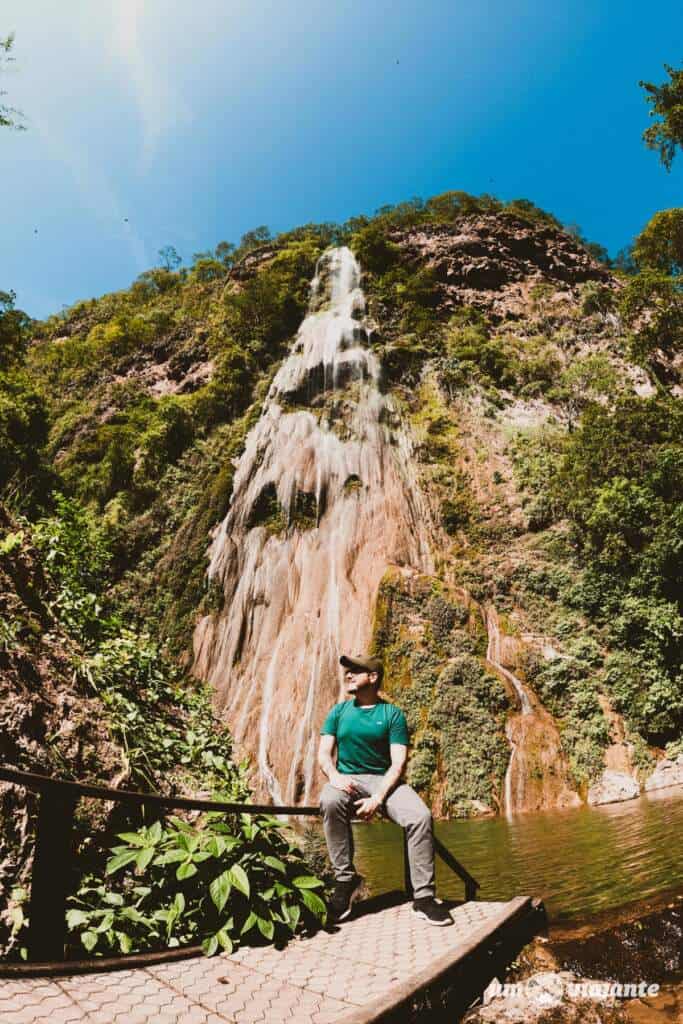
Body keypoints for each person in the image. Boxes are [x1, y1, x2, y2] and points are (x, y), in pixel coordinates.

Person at [318, 653, 452, 926]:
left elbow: (398, 762)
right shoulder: (338, 711)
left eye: (356, 671)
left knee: (420, 816)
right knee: (329, 800)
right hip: (347, 780)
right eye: (348, 671)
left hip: (384, 781)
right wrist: (334, 775)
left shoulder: (392, 714)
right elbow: (323, 754)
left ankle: (424, 897)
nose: (348, 675)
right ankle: (345, 881)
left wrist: (378, 798)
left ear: (373, 677)